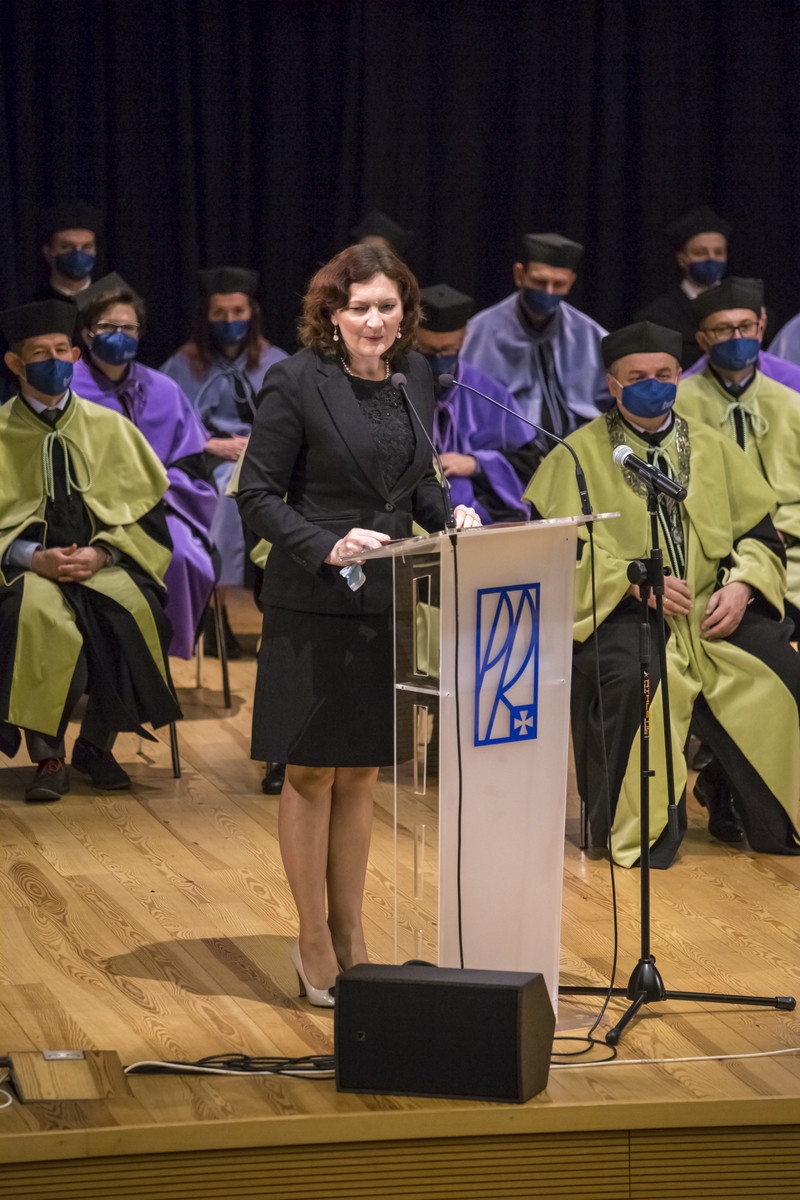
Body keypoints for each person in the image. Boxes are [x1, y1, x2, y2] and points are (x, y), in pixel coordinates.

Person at [236, 244, 480, 1004]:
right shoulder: (295, 381)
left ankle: (352, 934)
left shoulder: (412, 378)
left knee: (364, 771)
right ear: (332, 315)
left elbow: (415, 484)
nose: (375, 320)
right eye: (360, 307)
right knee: (313, 771)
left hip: (386, 597)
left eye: (387, 306)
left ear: (406, 312)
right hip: (314, 599)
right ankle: (312, 937)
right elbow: (257, 494)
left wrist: (453, 517)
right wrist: (325, 543)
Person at [525, 320, 800, 868]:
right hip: (621, 610)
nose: (653, 385)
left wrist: (743, 585)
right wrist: (627, 582)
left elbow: (759, 535)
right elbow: (552, 553)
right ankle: (639, 830)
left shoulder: (714, 446)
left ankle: (767, 813)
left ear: (678, 376)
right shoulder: (575, 456)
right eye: (637, 378)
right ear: (613, 384)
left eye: (663, 374)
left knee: (781, 667)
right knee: (637, 676)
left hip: (710, 606)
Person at [0, 300, 182, 801]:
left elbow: (148, 521)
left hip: (100, 562)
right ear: (15, 363)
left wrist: (104, 555)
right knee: (34, 619)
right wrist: (31, 558)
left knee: (137, 614)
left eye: (62, 350)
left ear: (76, 355)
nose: (54, 361)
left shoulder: (111, 428)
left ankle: (96, 745)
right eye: (40, 353)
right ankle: (48, 755)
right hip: (24, 571)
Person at [72, 273, 218, 659]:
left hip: (159, 508)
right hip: (90, 513)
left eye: (129, 328)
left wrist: (154, 490)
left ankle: (161, 659)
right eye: (108, 327)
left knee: (185, 557)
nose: (119, 335)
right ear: (87, 333)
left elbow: (193, 466)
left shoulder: (164, 390)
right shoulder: (67, 390)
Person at [160, 267, 288, 654]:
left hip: (266, 459)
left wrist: (260, 446)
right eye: (220, 313)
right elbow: (167, 424)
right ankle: (217, 611)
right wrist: (212, 445)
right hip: (208, 459)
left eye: (238, 312)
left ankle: (278, 611)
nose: (230, 321)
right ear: (206, 316)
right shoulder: (182, 364)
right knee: (226, 491)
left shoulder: (276, 361)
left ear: (253, 313)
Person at [675, 277, 800, 635]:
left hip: (788, 548)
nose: (737, 337)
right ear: (702, 339)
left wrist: (781, 532)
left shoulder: (791, 405)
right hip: (707, 551)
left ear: (761, 328)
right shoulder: (677, 405)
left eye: (745, 326)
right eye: (723, 329)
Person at [460, 232, 607, 473]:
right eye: (540, 281)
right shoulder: (478, 334)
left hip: (582, 459)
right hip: (508, 461)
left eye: (558, 284)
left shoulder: (590, 335)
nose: (548, 291)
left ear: (571, 282)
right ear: (520, 274)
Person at [415, 282, 531, 522]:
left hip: (478, 511)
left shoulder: (488, 392)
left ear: (463, 338)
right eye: (428, 350)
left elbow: (528, 463)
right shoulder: (397, 385)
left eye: (447, 349)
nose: (439, 359)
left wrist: (477, 463)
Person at [633, 206, 731, 369]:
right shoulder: (657, 318)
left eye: (718, 252)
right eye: (700, 253)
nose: (711, 258)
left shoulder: (745, 313)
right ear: (682, 259)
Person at [30, 200, 102, 302]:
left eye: (86, 247)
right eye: (66, 247)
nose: (78, 254)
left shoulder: (114, 303)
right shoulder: (34, 305)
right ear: (48, 252)